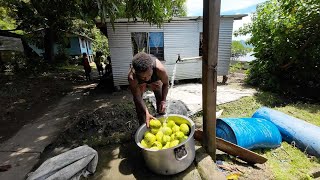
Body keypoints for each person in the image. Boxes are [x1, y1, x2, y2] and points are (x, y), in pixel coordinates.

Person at [128, 52, 169, 127]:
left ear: (151, 67)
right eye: (143, 77)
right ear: (136, 73)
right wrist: (146, 112)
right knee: (139, 106)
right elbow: (137, 97)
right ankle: (143, 126)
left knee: (160, 100)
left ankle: (161, 123)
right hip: (139, 81)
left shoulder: (160, 69)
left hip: (155, 78)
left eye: (149, 75)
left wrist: (163, 101)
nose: (147, 79)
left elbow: (166, 84)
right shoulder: (132, 77)